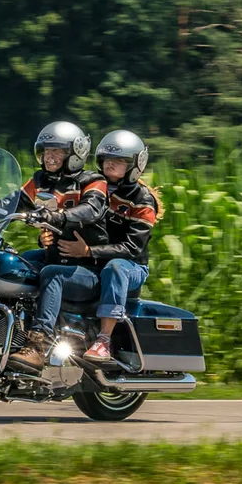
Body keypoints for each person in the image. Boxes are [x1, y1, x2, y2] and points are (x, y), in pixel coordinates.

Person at [1, 122, 110, 370]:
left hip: (89, 270)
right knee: (11, 263)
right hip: (56, 258)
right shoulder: (40, 180)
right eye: (46, 150)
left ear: (75, 153)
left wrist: (58, 216)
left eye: (57, 151)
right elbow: (11, 203)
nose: (49, 156)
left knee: (51, 275)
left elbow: (91, 209)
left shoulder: (93, 181)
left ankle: (39, 345)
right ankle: (4, 334)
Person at [73, 129, 162, 362]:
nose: (111, 165)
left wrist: (89, 251)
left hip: (131, 267)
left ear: (134, 165)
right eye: (107, 159)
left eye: (120, 161)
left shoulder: (142, 199)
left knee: (116, 267)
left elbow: (133, 248)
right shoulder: (92, 188)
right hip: (93, 259)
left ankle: (104, 340)